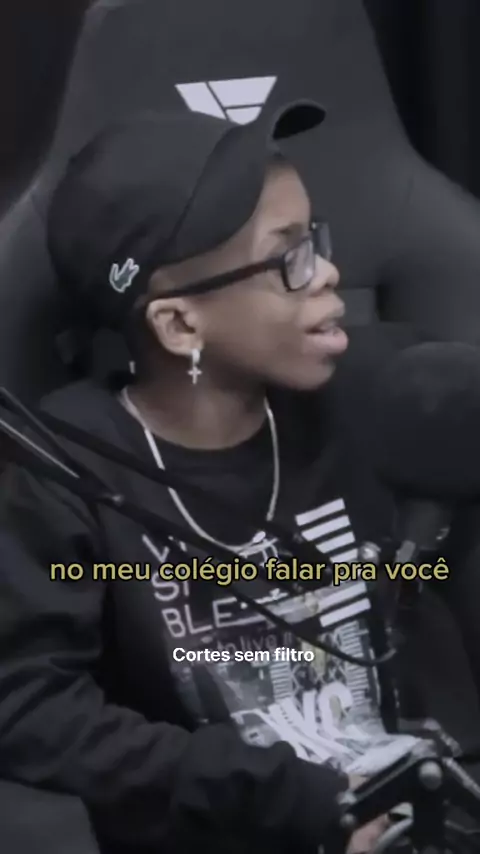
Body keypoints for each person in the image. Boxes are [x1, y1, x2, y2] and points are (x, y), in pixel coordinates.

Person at [0, 101, 476, 854]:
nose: (329, 273)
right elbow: (30, 707)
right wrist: (289, 799)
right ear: (180, 325)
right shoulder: (65, 469)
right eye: (289, 258)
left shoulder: (378, 393)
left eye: (316, 239)